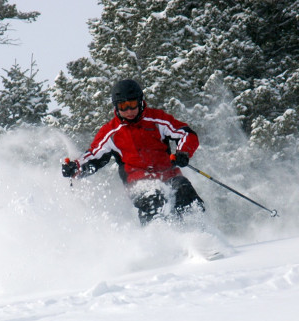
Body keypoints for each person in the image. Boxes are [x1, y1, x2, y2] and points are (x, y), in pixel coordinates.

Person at [62, 79, 205, 224]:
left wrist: (183, 153)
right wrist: (76, 167)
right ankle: (158, 237)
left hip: (169, 174)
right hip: (138, 182)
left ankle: (198, 234)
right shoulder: (111, 132)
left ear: (140, 101)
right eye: (123, 106)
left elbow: (186, 134)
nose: (129, 111)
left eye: (132, 105)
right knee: (154, 199)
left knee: (185, 194)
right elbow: (94, 155)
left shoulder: (156, 119)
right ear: (116, 107)